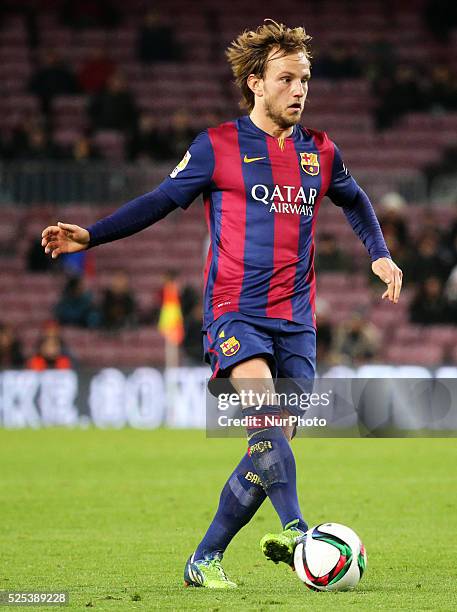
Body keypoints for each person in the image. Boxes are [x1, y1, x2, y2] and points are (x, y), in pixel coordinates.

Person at [41, 20, 402, 589]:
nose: (299, 90)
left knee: (273, 441)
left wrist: (379, 255)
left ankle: (204, 558)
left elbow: (356, 202)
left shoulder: (321, 151)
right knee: (262, 413)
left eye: (305, 79)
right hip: (236, 311)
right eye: (286, 79)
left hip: (297, 321)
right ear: (256, 82)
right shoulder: (218, 147)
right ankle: (297, 529)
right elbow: (161, 199)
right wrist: (92, 235)